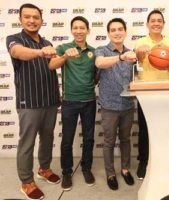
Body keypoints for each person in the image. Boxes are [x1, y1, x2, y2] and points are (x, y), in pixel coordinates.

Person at [6, 3, 60, 200]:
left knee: (48, 138)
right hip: (29, 101)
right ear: (20, 19)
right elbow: (18, 53)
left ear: (41, 20)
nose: (31, 20)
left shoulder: (45, 42)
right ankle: (27, 181)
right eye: (27, 17)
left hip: (50, 100)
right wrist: (41, 53)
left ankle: (44, 169)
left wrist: (61, 56)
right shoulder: (14, 39)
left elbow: (52, 65)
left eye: (35, 17)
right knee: (27, 143)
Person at [49, 16, 98, 191]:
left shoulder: (93, 51)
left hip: (90, 101)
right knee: (67, 140)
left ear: (88, 30)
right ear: (71, 30)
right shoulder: (64, 47)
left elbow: (96, 74)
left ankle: (86, 168)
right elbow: (52, 65)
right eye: (75, 28)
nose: (79, 31)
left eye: (82, 28)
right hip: (70, 101)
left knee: (89, 138)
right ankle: (67, 172)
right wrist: (64, 56)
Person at [134, 9, 169, 179]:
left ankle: (162, 161)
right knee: (145, 130)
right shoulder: (141, 42)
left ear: (163, 24)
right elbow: (136, 60)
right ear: (147, 24)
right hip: (145, 92)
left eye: (159, 20)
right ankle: (143, 162)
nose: (156, 23)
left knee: (164, 129)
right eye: (153, 20)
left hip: (166, 91)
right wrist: (140, 53)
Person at [95, 18, 136, 190]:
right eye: (113, 30)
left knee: (126, 139)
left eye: (120, 29)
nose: (117, 32)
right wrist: (120, 57)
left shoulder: (132, 53)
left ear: (125, 32)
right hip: (109, 105)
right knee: (109, 141)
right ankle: (110, 174)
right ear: (109, 33)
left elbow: (136, 76)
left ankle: (125, 169)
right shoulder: (101, 50)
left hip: (127, 105)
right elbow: (99, 63)